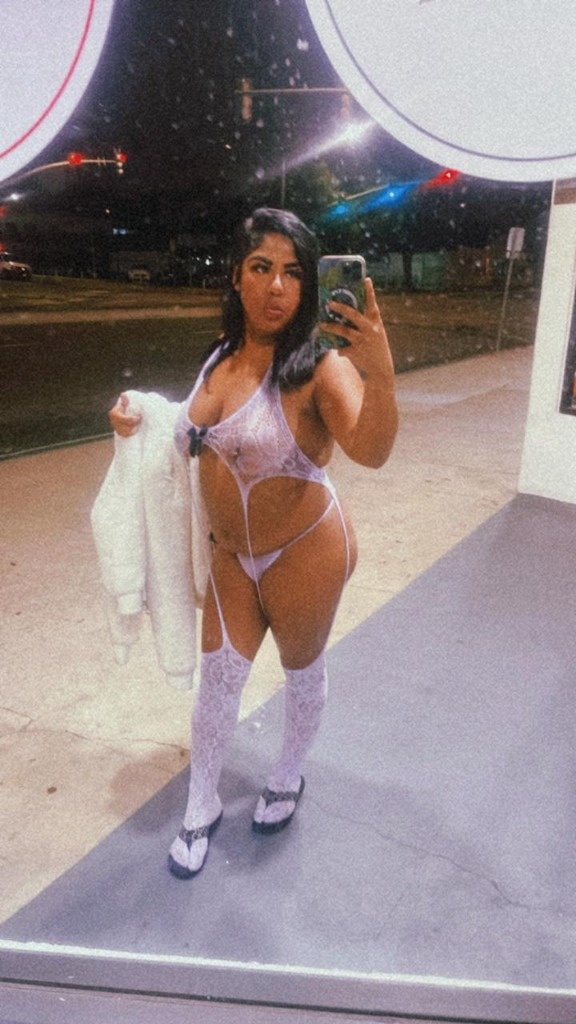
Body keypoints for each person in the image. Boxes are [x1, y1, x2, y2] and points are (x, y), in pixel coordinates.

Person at [109, 207, 398, 879]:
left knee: (301, 671)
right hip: (232, 558)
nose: (276, 287)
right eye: (262, 268)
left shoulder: (320, 366)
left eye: (293, 273)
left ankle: (288, 774)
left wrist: (379, 374)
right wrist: (135, 416)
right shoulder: (219, 357)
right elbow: (185, 430)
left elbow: (372, 450)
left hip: (305, 550)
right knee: (218, 685)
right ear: (236, 275)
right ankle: (201, 803)